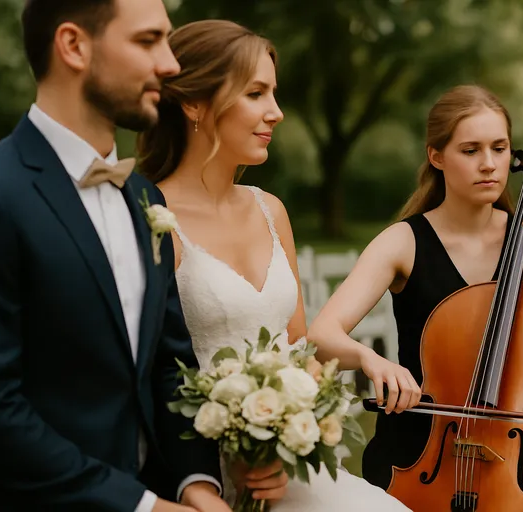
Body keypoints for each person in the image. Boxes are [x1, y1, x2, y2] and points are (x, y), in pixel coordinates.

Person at [0, 1, 234, 510]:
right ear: (73, 46)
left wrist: (197, 483)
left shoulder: (146, 199)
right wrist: (141, 508)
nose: (170, 65)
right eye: (147, 41)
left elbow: (170, 365)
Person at [306, 85, 523, 512]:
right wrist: (374, 360)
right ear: (437, 156)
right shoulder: (403, 242)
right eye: (470, 150)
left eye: (499, 148)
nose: (488, 164)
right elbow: (322, 334)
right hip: (425, 443)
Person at [136, 19, 412, 512]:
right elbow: (151, 376)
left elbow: (298, 349)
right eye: (256, 93)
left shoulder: (270, 209)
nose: (277, 113)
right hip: (199, 475)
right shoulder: (153, 220)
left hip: (289, 466)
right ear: (195, 104)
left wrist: (299, 430)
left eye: (274, 94)